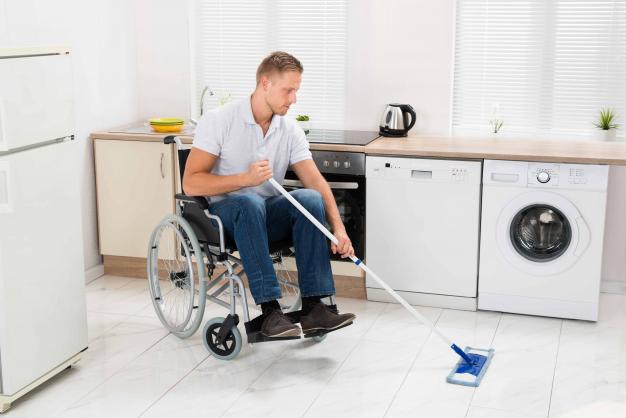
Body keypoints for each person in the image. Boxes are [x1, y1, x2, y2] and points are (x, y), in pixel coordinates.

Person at [183, 51, 356, 338]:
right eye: (288, 90)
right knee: (249, 201)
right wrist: (245, 179)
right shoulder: (219, 120)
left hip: (265, 215)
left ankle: (315, 307)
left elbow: (315, 181)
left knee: (310, 198)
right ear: (265, 84)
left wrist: (338, 229)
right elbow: (191, 183)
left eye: (296, 91)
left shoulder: (288, 129)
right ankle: (269, 312)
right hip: (225, 217)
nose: (293, 99)